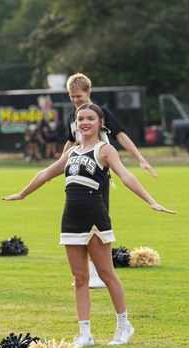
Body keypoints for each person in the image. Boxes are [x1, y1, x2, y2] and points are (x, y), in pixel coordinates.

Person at [3, 103, 174, 348]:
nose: (84, 122)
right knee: (80, 277)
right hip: (70, 219)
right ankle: (85, 334)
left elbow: (126, 176)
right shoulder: (71, 152)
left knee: (106, 274)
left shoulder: (105, 150)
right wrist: (22, 194)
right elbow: (45, 173)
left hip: (95, 219)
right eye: (80, 118)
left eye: (90, 118)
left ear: (100, 122)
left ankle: (124, 325)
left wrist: (151, 201)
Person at [64, 72, 158, 288]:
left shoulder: (100, 113)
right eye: (71, 97)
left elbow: (121, 135)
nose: (75, 100)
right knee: (79, 221)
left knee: (99, 219)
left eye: (78, 96)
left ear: (89, 92)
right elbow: (70, 143)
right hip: (79, 172)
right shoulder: (72, 117)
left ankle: (98, 273)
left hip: (99, 172)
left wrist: (140, 158)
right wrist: (60, 166)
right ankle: (87, 273)